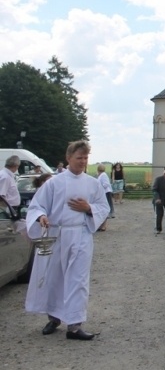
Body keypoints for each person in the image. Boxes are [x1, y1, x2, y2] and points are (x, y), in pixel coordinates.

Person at [25, 140, 110, 341]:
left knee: (78, 279)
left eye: (86, 158)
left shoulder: (92, 183)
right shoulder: (54, 183)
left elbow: (103, 207)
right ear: (68, 158)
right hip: (57, 235)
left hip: (80, 235)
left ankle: (74, 325)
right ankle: (53, 318)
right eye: (79, 157)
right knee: (55, 277)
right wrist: (41, 217)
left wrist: (88, 209)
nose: (83, 161)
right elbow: (37, 205)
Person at [96, 163, 113, 231]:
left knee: (105, 208)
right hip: (103, 193)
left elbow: (106, 184)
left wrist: (100, 188)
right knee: (102, 208)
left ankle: (104, 225)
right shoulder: (101, 175)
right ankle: (101, 225)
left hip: (106, 193)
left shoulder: (103, 175)